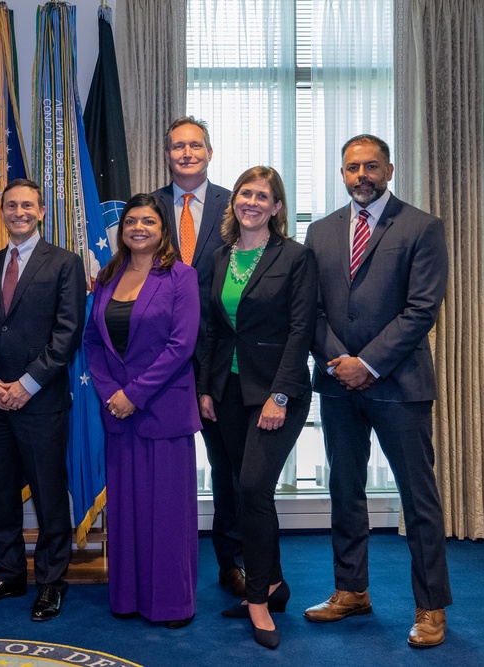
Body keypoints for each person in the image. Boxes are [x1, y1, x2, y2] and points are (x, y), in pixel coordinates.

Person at [303, 134, 452, 648]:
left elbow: (422, 310)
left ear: (389, 170)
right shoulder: (319, 233)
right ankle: (351, 590)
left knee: (418, 498)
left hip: (400, 384)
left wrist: (368, 363)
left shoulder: (422, 227)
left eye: (370, 166)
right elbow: (313, 311)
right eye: (350, 167)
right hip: (338, 383)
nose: (360, 175)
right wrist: (340, 363)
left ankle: (431, 606)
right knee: (344, 491)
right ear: (340, 173)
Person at [197, 167, 318, 649]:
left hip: (274, 393)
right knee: (237, 487)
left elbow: (300, 331)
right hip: (225, 392)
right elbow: (212, 329)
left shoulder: (295, 257)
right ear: (235, 202)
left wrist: (281, 394)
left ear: (277, 207)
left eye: (262, 196)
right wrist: (205, 387)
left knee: (253, 487)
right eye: (245, 193)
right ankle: (274, 582)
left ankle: (258, 599)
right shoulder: (219, 256)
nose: (251, 201)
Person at [0, 178, 86, 622]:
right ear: (2, 212)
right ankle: (8, 573)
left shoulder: (64, 263)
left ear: (40, 211)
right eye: (11, 205)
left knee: (49, 494)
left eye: (27, 205)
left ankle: (51, 582)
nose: (19, 212)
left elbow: (67, 333)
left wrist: (26, 384)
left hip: (41, 401)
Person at [83, 192, 201, 628]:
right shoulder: (109, 276)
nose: (138, 228)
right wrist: (112, 392)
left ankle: (171, 603)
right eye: (131, 220)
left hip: (162, 413)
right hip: (118, 414)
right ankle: (129, 597)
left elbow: (181, 346)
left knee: (168, 514)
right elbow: (94, 342)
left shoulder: (180, 277)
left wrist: (134, 394)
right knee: (129, 513)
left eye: (148, 221)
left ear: (162, 228)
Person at [152, 116, 244, 598]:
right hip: (159, 361)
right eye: (177, 147)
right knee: (159, 464)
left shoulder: (238, 203)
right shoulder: (148, 207)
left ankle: (233, 562)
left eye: (194, 145)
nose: (186, 153)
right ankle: (159, 556)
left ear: (209, 151)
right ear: (166, 155)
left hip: (218, 357)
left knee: (227, 466)